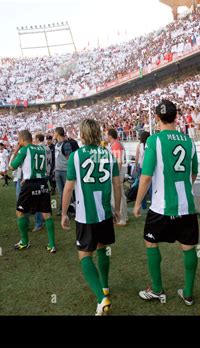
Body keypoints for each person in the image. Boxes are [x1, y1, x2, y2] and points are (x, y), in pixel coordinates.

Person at [133, 100, 199, 306]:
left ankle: (157, 289)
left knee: (151, 242)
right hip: (186, 206)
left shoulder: (154, 140)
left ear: (157, 118)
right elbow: (194, 172)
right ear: (176, 116)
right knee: (188, 248)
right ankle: (188, 292)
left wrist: (137, 204)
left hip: (161, 206)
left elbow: (145, 177)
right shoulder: (189, 141)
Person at [61, 119, 121, 315]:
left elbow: (68, 187)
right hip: (104, 211)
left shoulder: (76, 156)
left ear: (83, 134)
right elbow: (117, 184)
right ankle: (104, 286)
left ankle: (102, 298)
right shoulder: (108, 154)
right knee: (103, 248)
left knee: (84, 256)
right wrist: (117, 208)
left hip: (85, 214)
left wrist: (63, 213)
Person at [9, 130, 56, 253]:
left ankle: (25, 241)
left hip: (30, 184)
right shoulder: (42, 148)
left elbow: (12, 166)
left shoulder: (24, 150)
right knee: (47, 214)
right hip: (43, 183)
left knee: (20, 212)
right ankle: (52, 244)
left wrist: (16, 150)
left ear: (22, 140)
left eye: (19, 140)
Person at [107, 129, 128, 227]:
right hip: (120, 170)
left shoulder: (116, 145)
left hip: (119, 171)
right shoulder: (117, 144)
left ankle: (121, 219)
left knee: (117, 195)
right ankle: (124, 217)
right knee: (121, 195)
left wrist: (116, 174)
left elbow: (119, 161)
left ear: (110, 136)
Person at [54, 127, 74, 215]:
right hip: (58, 170)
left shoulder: (66, 144)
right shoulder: (56, 144)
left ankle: (70, 209)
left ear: (57, 133)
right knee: (61, 192)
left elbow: (69, 159)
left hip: (65, 171)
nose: (53, 134)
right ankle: (63, 209)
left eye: (54, 133)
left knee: (68, 191)